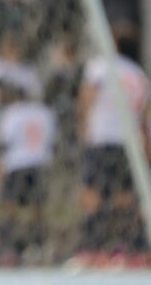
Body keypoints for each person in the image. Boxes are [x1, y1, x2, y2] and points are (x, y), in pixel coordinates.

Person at [73, 36, 151, 266]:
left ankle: (92, 248)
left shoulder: (100, 66)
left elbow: (86, 97)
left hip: (102, 137)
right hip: (128, 142)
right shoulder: (138, 74)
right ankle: (129, 249)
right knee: (124, 197)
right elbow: (144, 113)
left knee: (91, 194)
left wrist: (82, 130)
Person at [0, 80, 57, 266]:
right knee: (37, 209)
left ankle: (9, 248)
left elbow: (3, 140)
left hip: (17, 164)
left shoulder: (12, 113)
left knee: (9, 208)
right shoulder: (44, 112)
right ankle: (37, 247)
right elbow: (52, 139)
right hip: (40, 163)